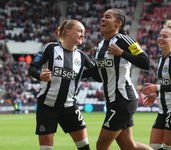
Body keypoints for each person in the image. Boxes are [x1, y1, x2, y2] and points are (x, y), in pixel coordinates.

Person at [83, 8, 152, 150]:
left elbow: (145, 62)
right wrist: (71, 74)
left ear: (118, 24)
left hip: (123, 99)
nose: (102, 19)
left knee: (101, 145)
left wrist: (121, 53)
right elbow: (98, 74)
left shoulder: (124, 40)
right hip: (113, 101)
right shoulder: (100, 46)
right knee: (129, 146)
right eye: (102, 17)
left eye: (107, 17)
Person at [28, 20, 93, 150]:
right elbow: (32, 68)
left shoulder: (82, 56)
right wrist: (40, 76)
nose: (82, 35)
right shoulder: (51, 49)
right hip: (47, 106)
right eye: (80, 31)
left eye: (84, 32)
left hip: (69, 107)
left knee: (84, 147)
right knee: (46, 149)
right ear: (68, 31)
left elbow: (96, 73)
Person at [142, 19, 171, 150]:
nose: (160, 38)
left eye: (165, 36)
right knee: (154, 146)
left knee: (168, 148)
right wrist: (156, 93)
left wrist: (157, 87)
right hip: (164, 109)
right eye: (160, 36)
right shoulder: (161, 58)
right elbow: (167, 83)